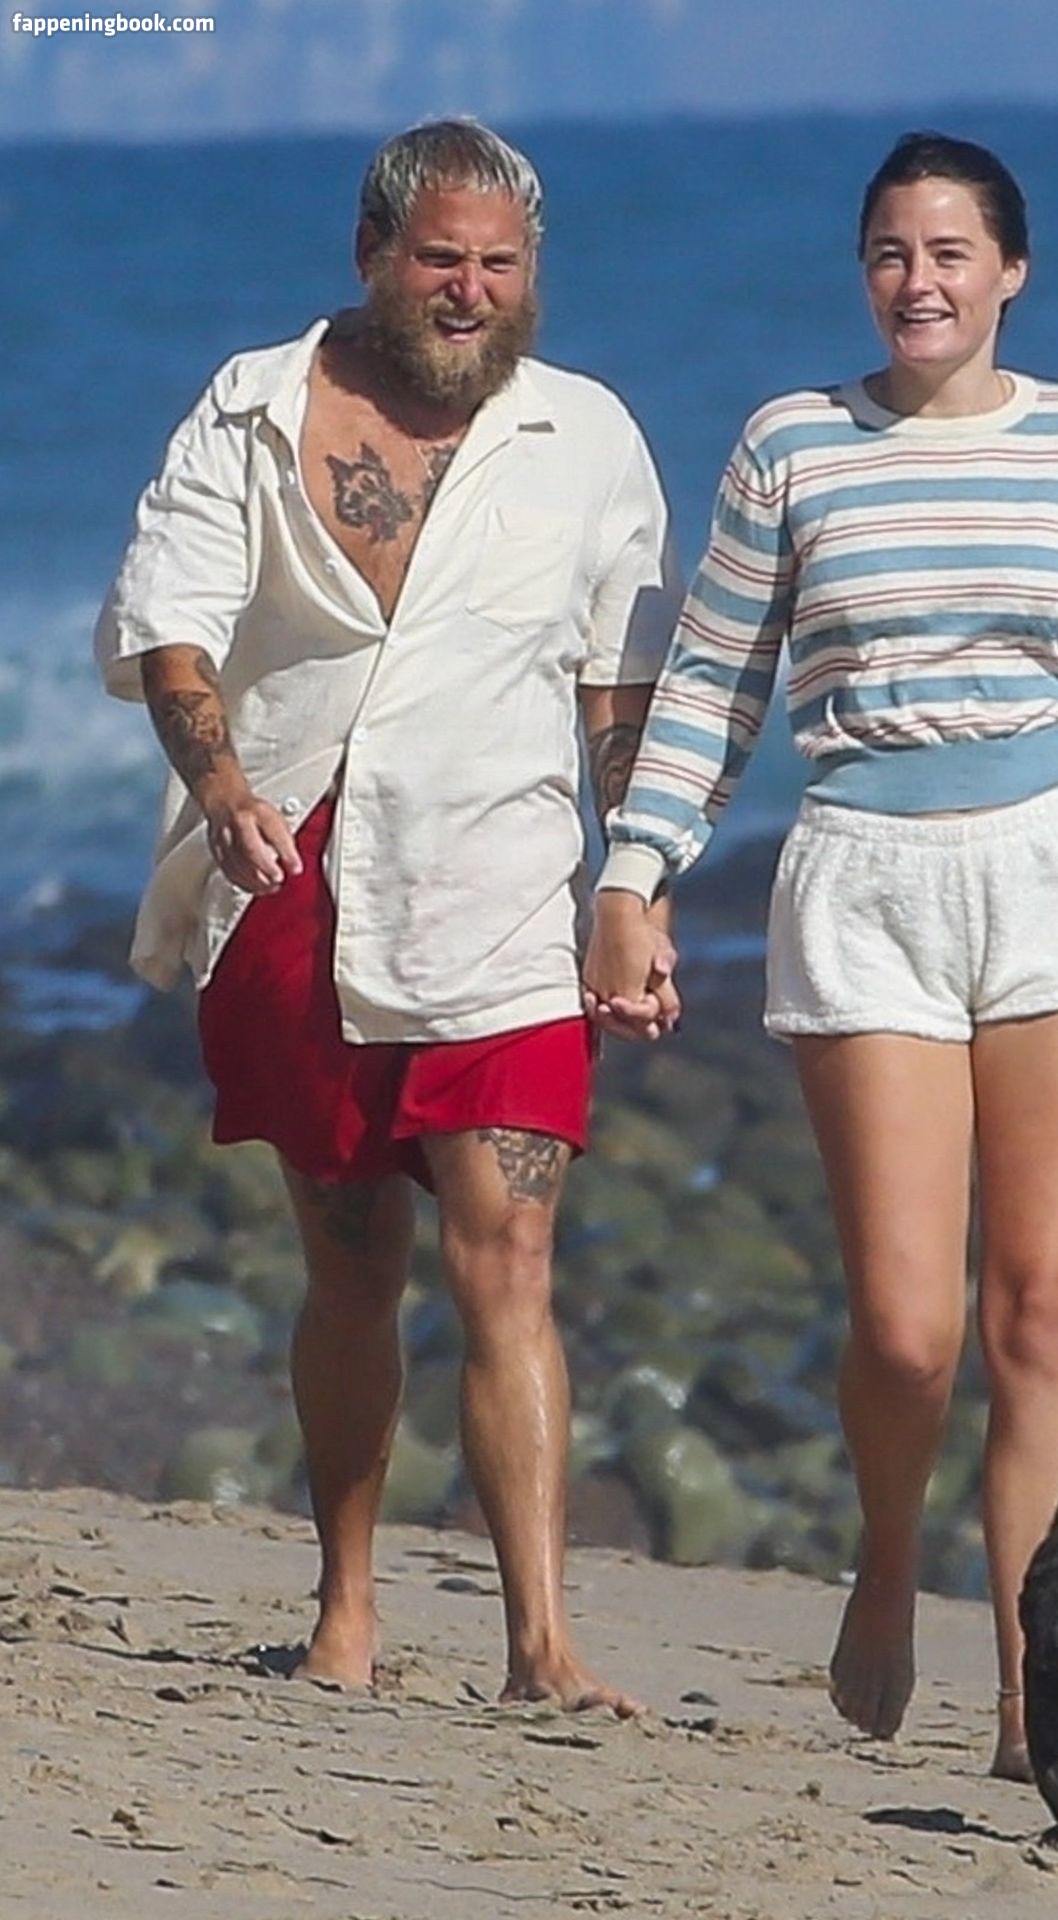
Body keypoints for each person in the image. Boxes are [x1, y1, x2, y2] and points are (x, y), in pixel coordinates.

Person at [584, 131, 1058, 1774]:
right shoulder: (793, 442)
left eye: (947, 252)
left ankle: (1028, 1692)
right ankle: (884, 1559)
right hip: (864, 883)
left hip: (1055, 876)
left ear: (1010, 271)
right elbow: (714, 682)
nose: (916, 281)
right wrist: (633, 876)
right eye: (889, 252)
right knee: (908, 1332)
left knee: (1041, 1317)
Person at [96, 118, 680, 1712]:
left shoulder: (585, 436)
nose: (472, 290)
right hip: (297, 876)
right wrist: (221, 786)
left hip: (503, 889)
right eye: (441, 260)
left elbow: (618, 687)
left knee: (514, 1253)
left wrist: (637, 883)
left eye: (501, 265)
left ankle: (541, 1644)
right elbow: (171, 628)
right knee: (353, 1264)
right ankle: (346, 1610)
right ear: (373, 256)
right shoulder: (253, 407)